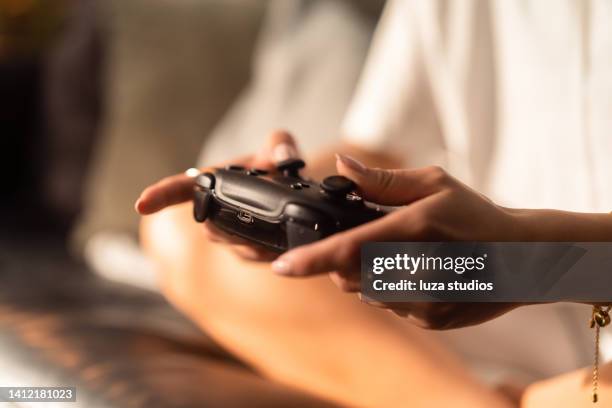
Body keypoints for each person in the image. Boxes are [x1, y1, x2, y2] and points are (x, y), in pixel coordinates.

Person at [136, 0, 612, 406]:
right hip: (495, 293)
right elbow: (379, 148)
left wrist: (533, 262)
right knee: (180, 228)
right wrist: (295, 185)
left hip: (558, 273)